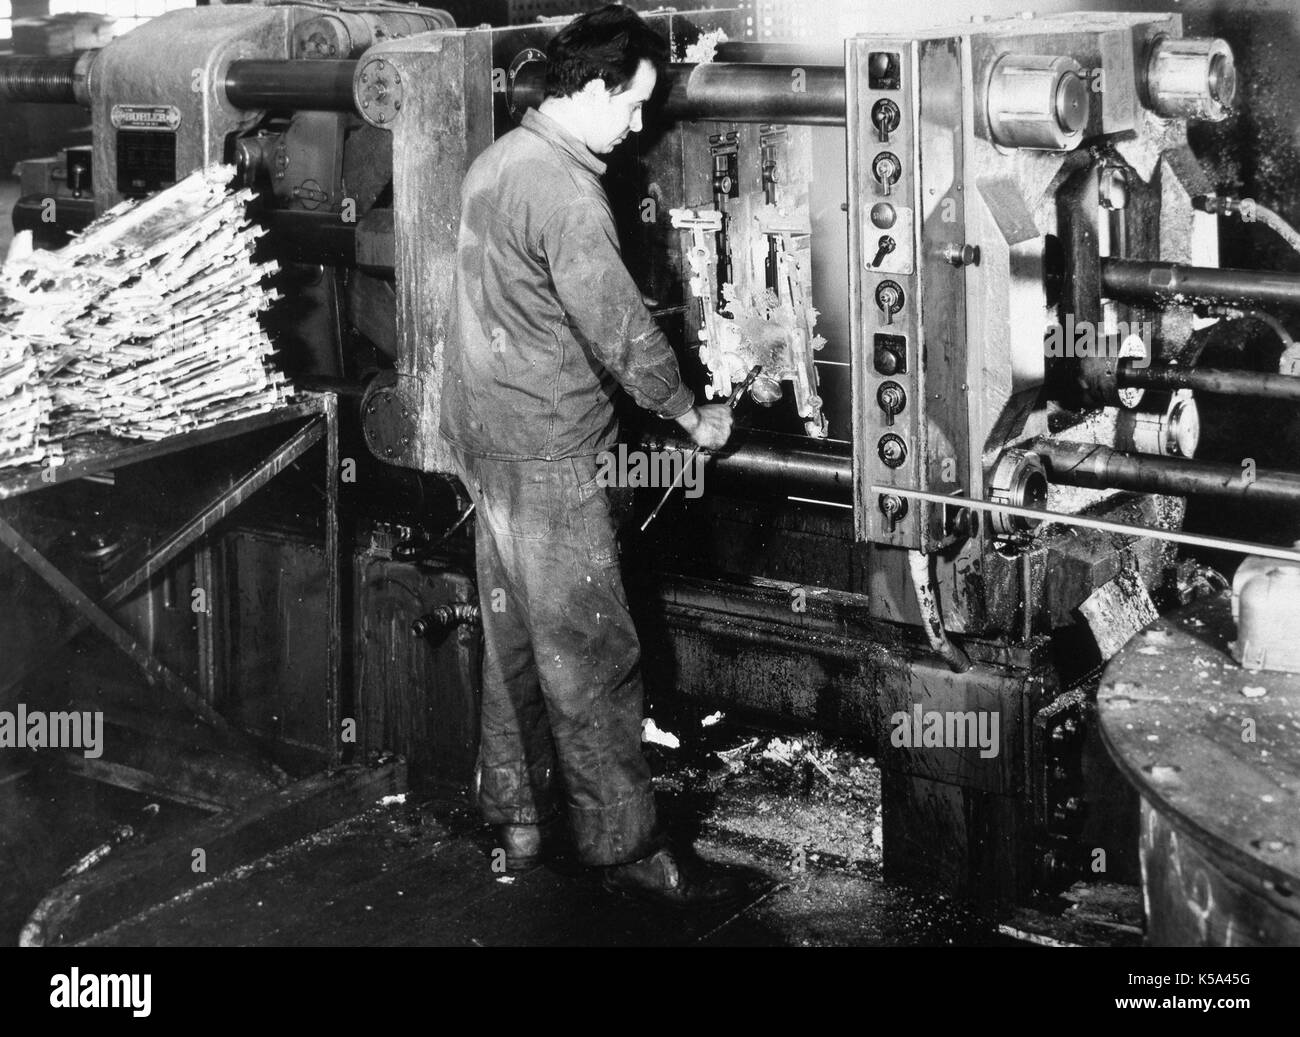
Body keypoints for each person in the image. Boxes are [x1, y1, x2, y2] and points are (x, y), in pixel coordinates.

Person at [438, 4, 746, 908]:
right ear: (596, 87)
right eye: (636, 103)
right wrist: (691, 417)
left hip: (487, 443)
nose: (641, 124)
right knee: (591, 652)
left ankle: (521, 825)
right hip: (551, 454)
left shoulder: (497, 162)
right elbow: (616, 327)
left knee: (513, 644)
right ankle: (623, 847)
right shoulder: (568, 193)